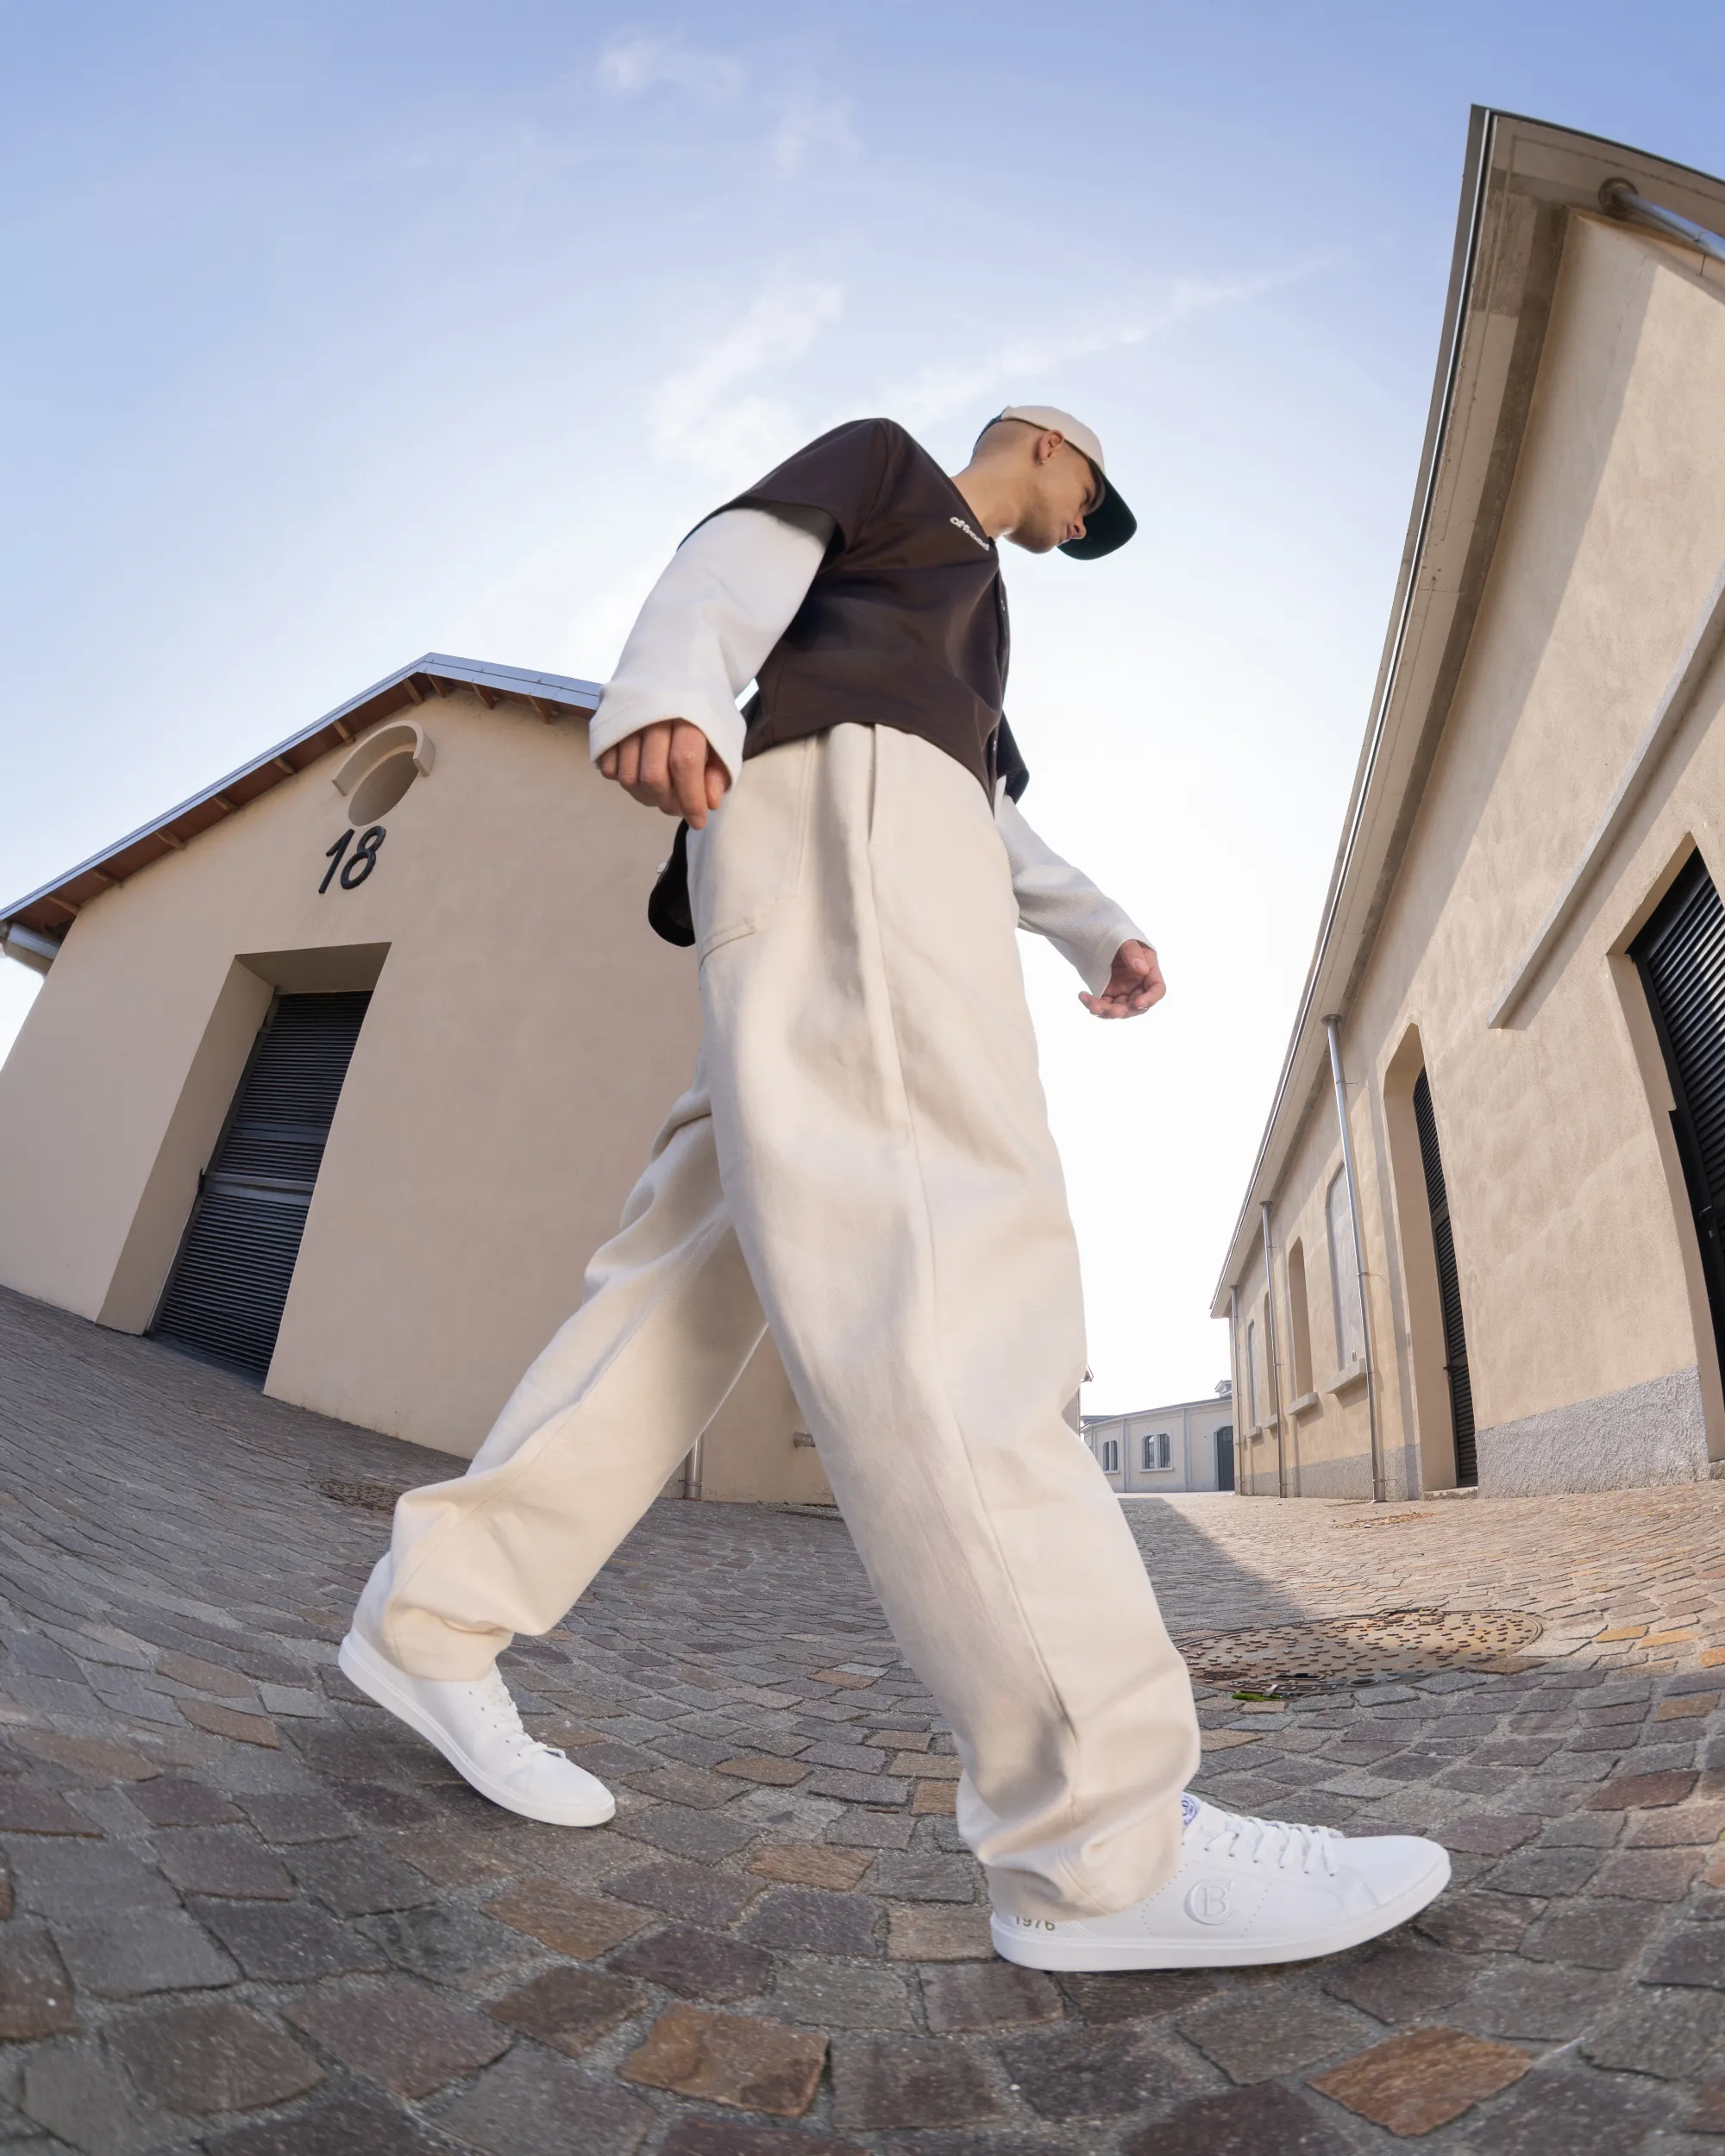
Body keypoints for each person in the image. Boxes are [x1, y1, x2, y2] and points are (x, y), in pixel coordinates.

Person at [340, 407, 1450, 1970]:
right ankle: (1100, 1848)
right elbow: (738, 552)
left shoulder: (975, 622)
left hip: (852, 850)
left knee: (688, 1284)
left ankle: (434, 1614)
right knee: (947, 1262)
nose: (1084, 525)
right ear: (1046, 445)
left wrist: (1092, 922)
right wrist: (671, 688)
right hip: (845, 837)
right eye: (1090, 497)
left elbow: (979, 804)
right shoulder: (891, 478)